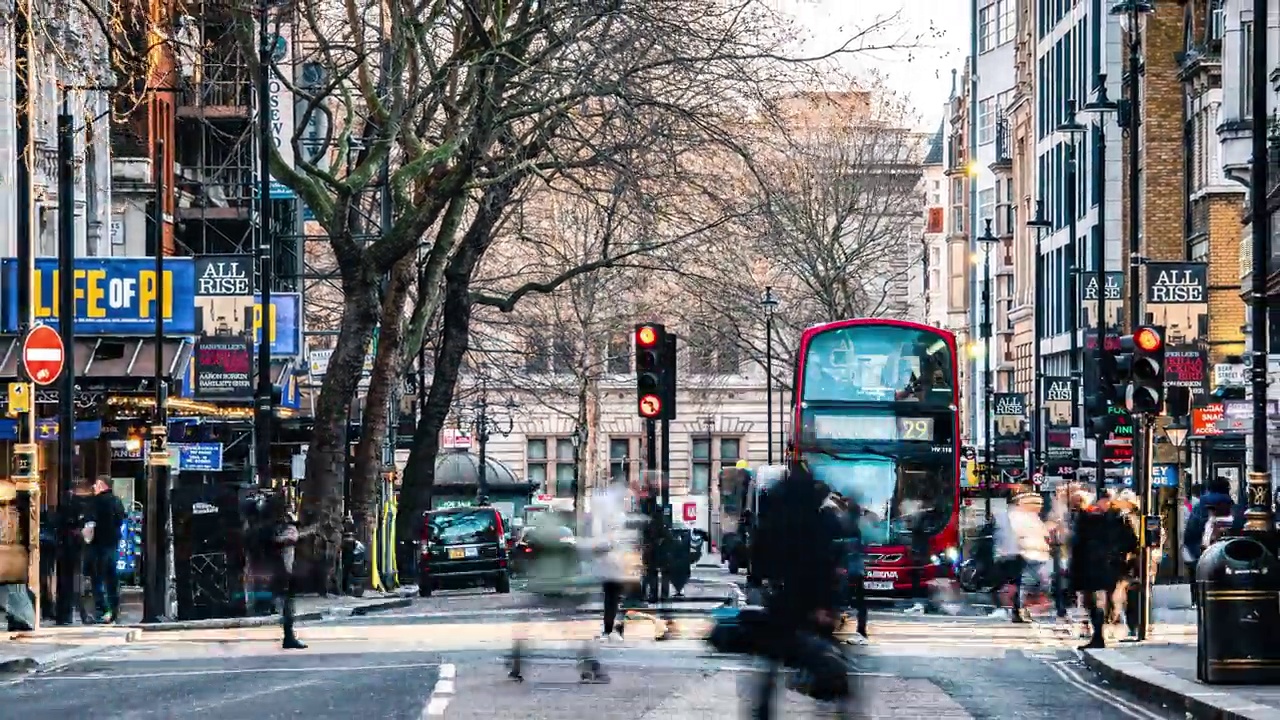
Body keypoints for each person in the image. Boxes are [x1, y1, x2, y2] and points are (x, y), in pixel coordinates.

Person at [750, 463, 850, 719]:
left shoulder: (774, 514)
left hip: (782, 599)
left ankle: (762, 711)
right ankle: (834, 706)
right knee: (823, 656)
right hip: (810, 597)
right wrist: (827, 603)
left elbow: (758, 554)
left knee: (772, 661)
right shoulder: (818, 517)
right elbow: (825, 559)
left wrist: (761, 582)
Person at [1069, 490, 1138, 649]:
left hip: (1109, 565)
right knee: (1095, 601)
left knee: (1106, 600)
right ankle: (1099, 634)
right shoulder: (1088, 518)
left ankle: (1103, 634)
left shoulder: (1120, 518)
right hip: (1092, 566)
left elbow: (1131, 542)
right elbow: (1077, 545)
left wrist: (1119, 556)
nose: (1103, 504)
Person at [250, 491, 307, 650]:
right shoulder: (273, 527)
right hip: (278, 567)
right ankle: (288, 635)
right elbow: (283, 540)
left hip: (269, 567)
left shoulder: (263, 525)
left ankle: (288, 634)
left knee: (285, 601)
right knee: (287, 601)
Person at [83, 476, 126, 623]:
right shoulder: (117, 501)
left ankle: (103, 611)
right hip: (112, 544)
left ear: (101, 485)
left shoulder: (95, 502)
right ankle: (114, 612)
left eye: (96, 484)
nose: (94, 487)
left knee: (97, 579)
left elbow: (89, 523)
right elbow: (120, 520)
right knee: (112, 580)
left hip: (97, 545)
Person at [1008, 491, 1052, 622]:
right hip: (1026, 554)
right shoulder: (1017, 516)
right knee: (1027, 584)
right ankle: (1019, 610)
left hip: (1036, 555)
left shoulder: (1031, 517)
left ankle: (1021, 610)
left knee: (1030, 584)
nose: (1039, 506)